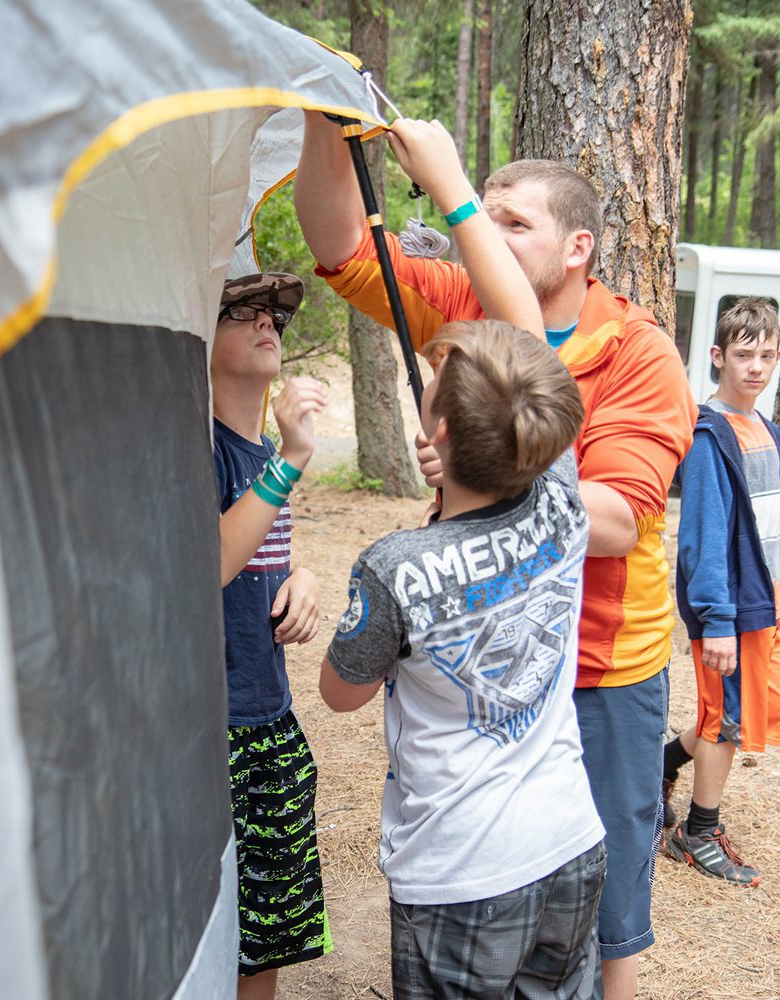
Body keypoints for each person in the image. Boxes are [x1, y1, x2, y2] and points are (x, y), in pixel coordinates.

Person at [294, 114, 696, 1000]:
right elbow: (338, 246)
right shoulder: (469, 299)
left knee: (609, 898)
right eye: (492, 218)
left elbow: (622, 521)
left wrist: (486, 464)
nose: (495, 237)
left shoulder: (639, 353)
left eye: (519, 224)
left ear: (579, 247)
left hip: (598, 668)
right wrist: (327, 125)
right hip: (472, 658)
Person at [320, 319, 606, 999]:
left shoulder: (393, 568)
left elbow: (340, 691)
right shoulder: (562, 497)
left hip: (461, 868)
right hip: (569, 839)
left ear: (440, 432)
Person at [212, 272, 331, 1000]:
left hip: (270, 716)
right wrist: (290, 460)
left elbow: (258, 556)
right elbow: (211, 562)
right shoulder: (201, 447)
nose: (268, 324)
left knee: (269, 930)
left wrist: (306, 579)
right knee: (215, 922)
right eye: (243, 313)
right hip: (212, 727)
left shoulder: (259, 454)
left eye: (274, 316)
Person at [663, 297, 780, 886]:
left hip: (769, 601)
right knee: (727, 719)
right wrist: (717, 620)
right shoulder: (710, 436)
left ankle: (665, 760)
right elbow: (703, 538)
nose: (755, 367)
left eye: (766, 355)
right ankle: (697, 831)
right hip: (732, 609)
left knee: (750, 709)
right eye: (742, 355)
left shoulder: (767, 429)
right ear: (717, 357)